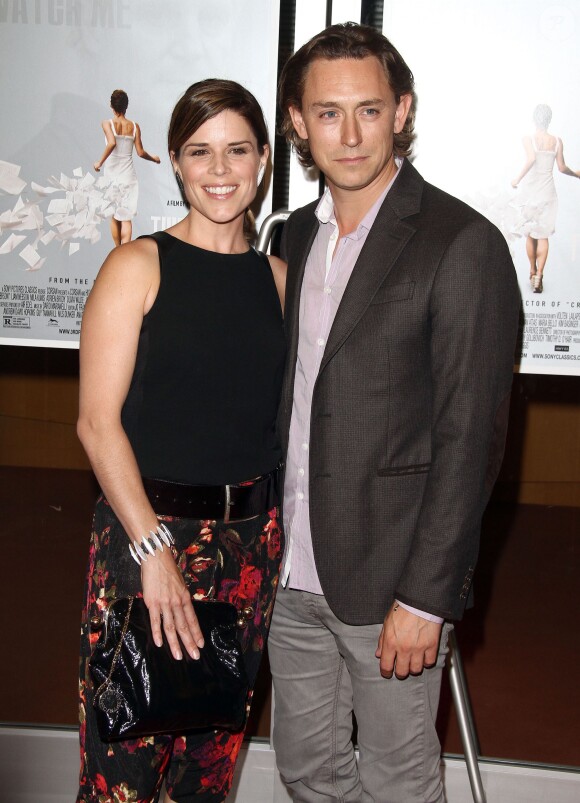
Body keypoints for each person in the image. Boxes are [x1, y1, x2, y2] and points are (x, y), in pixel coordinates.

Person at [268, 22, 520, 803]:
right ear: (297, 122)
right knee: (307, 772)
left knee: (399, 784)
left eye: (370, 110)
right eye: (329, 112)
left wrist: (428, 595)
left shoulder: (461, 242)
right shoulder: (292, 237)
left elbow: (470, 434)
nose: (350, 134)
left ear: (402, 110)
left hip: (392, 582)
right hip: (290, 574)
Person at [77, 79, 286, 803]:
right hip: (147, 537)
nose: (219, 169)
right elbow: (97, 424)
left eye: (236, 149)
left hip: (248, 550)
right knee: (124, 772)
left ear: (264, 159)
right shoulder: (136, 266)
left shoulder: (281, 281)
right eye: (200, 151)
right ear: (173, 161)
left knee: (207, 773)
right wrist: (152, 550)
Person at [511, 103, 580, 293]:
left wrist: (517, 178)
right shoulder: (557, 141)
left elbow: (531, 158)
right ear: (549, 120)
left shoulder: (529, 139)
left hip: (531, 192)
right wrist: (576, 174)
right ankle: (539, 274)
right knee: (543, 236)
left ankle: (532, 270)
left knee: (530, 234)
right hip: (549, 193)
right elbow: (562, 167)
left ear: (534, 119)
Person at [93, 89, 161, 246]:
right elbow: (140, 152)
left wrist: (99, 162)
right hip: (128, 175)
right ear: (126, 106)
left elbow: (111, 143)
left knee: (114, 215)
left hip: (112, 175)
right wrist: (154, 159)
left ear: (111, 105)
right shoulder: (135, 126)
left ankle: (118, 250)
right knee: (126, 217)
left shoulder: (107, 123)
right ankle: (124, 251)